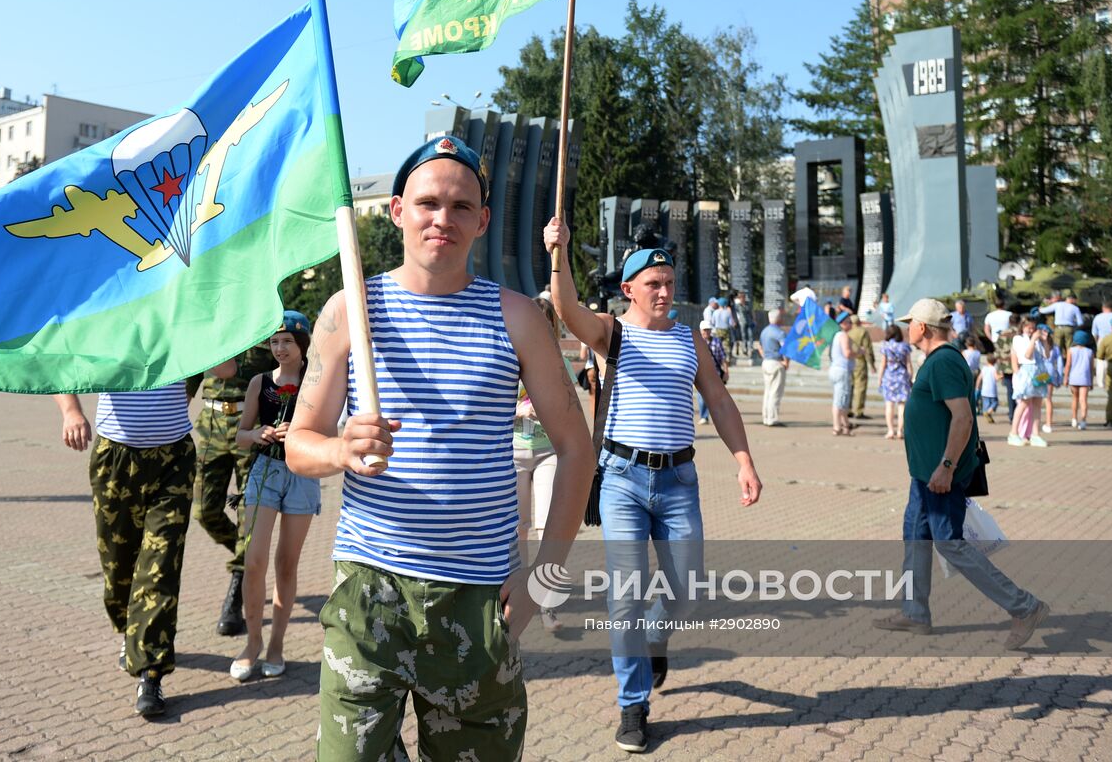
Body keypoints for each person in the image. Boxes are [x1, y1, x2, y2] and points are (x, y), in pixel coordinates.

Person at [285, 135, 594, 761]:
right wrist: (341, 450)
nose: (442, 219)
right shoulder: (351, 310)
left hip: (478, 601)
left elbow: (576, 448)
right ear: (398, 210)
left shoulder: (518, 318)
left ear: (482, 220)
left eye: (460, 207)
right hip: (370, 594)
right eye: (428, 203)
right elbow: (299, 443)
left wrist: (544, 577)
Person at [541, 219, 762, 755]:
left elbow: (720, 401)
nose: (664, 292)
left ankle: (655, 639)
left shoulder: (691, 338)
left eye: (669, 283)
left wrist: (744, 460)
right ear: (629, 290)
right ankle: (633, 706)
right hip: (621, 479)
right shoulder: (611, 332)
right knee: (626, 595)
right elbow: (566, 309)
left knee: (686, 587)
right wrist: (559, 253)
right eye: (653, 284)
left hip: (680, 480)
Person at [875, 299, 1050, 649]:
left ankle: (1024, 606)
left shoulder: (943, 362)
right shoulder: (936, 361)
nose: (908, 327)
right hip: (925, 475)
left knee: (948, 542)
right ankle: (915, 613)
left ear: (922, 327)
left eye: (912, 323)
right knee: (914, 534)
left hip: (941, 475)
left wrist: (946, 466)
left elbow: (963, 418)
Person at [54, 383, 194, 717]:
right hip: (115, 458)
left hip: (174, 459)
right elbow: (62, 357)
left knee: (160, 568)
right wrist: (71, 411)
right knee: (118, 569)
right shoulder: (106, 326)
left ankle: (150, 672)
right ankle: (129, 629)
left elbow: (225, 367)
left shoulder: (184, 327)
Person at [230, 311, 320, 681]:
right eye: (275, 341)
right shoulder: (259, 382)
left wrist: (299, 435)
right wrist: (259, 434)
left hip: (302, 476)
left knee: (286, 565)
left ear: (302, 346)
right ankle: (252, 643)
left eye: (287, 341)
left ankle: (276, 645)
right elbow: (241, 434)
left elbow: (329, 427)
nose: (280, 348)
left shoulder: (317, 383)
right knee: (254, 560)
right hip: (264, 473)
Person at [194, 337, 276, 636]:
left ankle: (235, 596)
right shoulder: (209, 336)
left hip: (250, 429)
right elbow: (184, 387)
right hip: (210, 427)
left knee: (247, 518)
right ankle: (247, 557)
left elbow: (283, 383)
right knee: (204, 512)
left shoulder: (263, 334)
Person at [514, 297, 575, 634]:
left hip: (547, 451)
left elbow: (570, 411)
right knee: (517, 528)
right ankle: (516, 594)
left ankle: (548, 603)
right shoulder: (506, 359)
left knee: (545, 527)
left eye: (544, 320)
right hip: (513, 453)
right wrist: (518, 413)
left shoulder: (559, 362)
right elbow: (485, 411)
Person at [1008, 317, 1049, 448]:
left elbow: (1047, 355)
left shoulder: (1037, 340)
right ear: (1023, 327)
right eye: (1028, 327)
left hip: (1040, 370)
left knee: (1038, 403)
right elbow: (1027, 355)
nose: (1031, 330)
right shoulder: (1018, 339)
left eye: (1033, 327)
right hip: (1027, 371)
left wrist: (1045, 341)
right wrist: (1033, 340)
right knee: (1024, 402)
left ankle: (1035, 434)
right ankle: (1013, 433)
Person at [756, 309, 788, 427]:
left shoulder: (764, 331)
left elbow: (759, 346)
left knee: (768, 391)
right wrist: (786, 362)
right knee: (775, 392)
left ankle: (766, 417)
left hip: (766, 362)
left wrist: (764, 355)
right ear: (779, 319)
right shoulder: (780, 333)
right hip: (776, 362)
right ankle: (772, 418)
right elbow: (785, 349)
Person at [880, 325, 913, 440]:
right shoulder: (905, 346)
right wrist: (910, 377)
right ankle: (900, 431)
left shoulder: (885, 346)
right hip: (902, 377)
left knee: (889, 405)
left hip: (889, 377)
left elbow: (883, 364)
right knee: (902, 406)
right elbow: (908, 363)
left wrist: (880, 378)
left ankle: (890, 430)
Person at [1037, 291, 1084, 363]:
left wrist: (1041, 308)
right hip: (1069, 329)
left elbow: (1043, 311)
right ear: (1071, 299)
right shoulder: (1075, 308)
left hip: (1058, 329)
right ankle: (1070, 363)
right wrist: (1073, 324)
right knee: (1069, 348)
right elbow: (1080, 323)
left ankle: (1058, 364)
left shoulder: (1057, 305)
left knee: (1057, 348)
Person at [829, 310, 855, 436]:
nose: (851, 324)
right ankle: (837, 427)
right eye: (849, 322)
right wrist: (859, 352)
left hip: (836, 369)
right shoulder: (843, 335)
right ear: (844, 323)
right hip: (841, 370)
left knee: (843, 399)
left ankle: (845, 425)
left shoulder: (836, 335)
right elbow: (847, 353)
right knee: (839, 400)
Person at [697, 321, 728, 424]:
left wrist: (726, 371)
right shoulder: (696, 342)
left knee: (716, 395)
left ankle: (718, 416)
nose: (707, 332)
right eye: (705, 330)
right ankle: (704, 416)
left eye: (708, 330)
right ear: (701, 331)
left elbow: (723, 357)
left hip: (715, 373)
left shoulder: (716, 342)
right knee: (702, 396)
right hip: (700, 373)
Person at [1036, 325, 1063, 437]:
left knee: (1036, 399)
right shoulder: (1055, 347)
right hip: (1050, 373)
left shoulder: (1036, 344)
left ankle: (1034, 423)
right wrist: (1059, 378)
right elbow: (1060, 364)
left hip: (1039, 372)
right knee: (1048, 399)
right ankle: (1048, 424)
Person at [849, 316, 877, 420]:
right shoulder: (862, 332)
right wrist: (872, 364)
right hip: (859, 361)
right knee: (860, 387)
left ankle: (848, 409)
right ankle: (858, 411)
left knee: (850, 386)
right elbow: (868, 349)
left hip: (849, 362)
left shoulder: (848, 332)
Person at [1066, 330, 1094, 431]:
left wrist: (1066, 378)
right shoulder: (1090, 352)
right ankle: (1083, 421)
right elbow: (1091, 368)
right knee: (1083, 400)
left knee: (1075, 399)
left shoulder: (1071, 350)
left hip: (1074, 377)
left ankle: (1074, 418)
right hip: (1085, 378)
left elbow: (1068, 365)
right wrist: (1091, 381)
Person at [994, 314, 1019, 422]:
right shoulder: (1020, 334)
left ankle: (1012, 415)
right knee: (1020, 391)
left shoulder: (1002, 334)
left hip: (1005, 365)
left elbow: (997, 352)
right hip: (1019, 365)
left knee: (1010, 391)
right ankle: (1019, 415)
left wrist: (998, 368)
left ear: (1009, 322)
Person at [1089, 300, 1112, 390]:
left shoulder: (1098, 317)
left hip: (1102, 340)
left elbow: (1094, 332)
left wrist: (1097, 342)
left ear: (1103, 308)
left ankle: (1100, 382)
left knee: (1101, 361)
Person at [978, 353, 1000, 423]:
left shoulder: (984, 368)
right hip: (992, 390)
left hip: (984, 390)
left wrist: (977, 386)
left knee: (986, 404)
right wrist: (1001, 376)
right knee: (995, 402)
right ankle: (988, 412)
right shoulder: (993, 369)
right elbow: (996, 377)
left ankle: (987, 413)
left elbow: (979, 378)